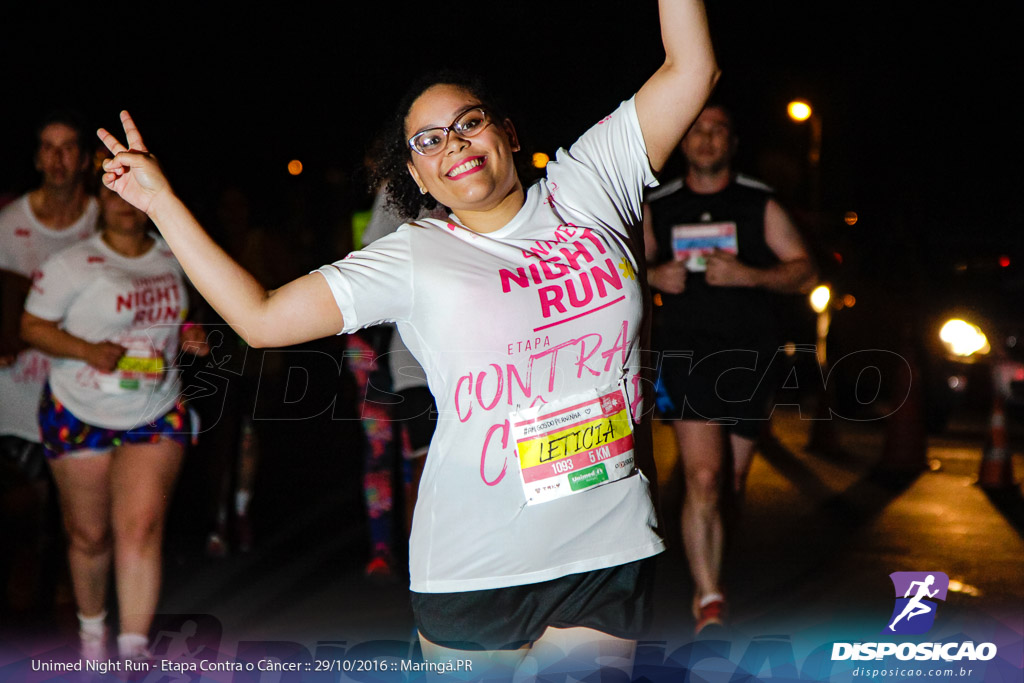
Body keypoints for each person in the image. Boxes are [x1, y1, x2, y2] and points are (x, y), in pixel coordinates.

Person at [96, 1, 718, 675]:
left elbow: (692, 67)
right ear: (417, 179)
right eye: (428, 141)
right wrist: (159, 201)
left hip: (606, 548)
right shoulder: (414, 255)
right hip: (474, 563)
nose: (453, 143)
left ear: (507, 133)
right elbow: (261, 316)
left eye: (468, 122)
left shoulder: (593, 183)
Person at [643, 103, 818, 632]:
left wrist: (750, 275)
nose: (706, 138)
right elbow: (626, 269)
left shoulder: (756, 202)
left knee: (732, 484)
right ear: (684, 141)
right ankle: (709, 597)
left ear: (732, 142)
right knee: (705, 474)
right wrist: (655, 277)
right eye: (696, 128)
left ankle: (712, 564)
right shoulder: (661, 204)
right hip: (685, 353)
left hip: (749, 356)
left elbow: (805, 271)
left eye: (718, 128)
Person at [20, 188, 208, 660]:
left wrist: (190, 332)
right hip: (80, 409)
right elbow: (31, 327)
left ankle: (132, 652)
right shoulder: (73, 263)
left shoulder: (174, 253)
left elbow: (189, 311)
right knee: (89, 535)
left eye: (134, 194)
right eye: (113, 195)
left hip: (154, 408)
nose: (125, 204)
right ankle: (92, 641)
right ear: (98, 203)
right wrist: (87, 351)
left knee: (140, 527)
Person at [0, 110, 99, 623]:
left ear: (82, 160)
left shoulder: (103, 220)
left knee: (75, 524)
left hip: (81, 392)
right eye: (48, 147)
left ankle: (69, 628)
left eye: (68, 148)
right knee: (23, 519)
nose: (58, 158)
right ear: (38, 157)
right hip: (14, 399)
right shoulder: (9, 223)